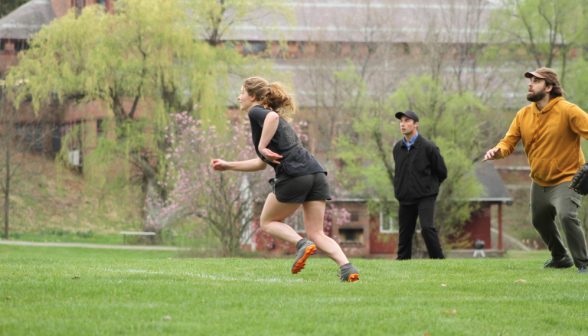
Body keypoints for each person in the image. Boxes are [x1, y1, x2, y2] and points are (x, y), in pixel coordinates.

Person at [210, 77, 359, 282]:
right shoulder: (264, 119)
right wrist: (228, 165)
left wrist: (262, 147)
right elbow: (261, 163)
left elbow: (271, 118)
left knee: (268, 221)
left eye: (241, 92)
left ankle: (301, 244)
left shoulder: (256, 112)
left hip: (294, 175)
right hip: (315, 173)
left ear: (253, 96)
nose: (238, 97)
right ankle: (347, 268)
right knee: (317, 233)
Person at [484, 68, 588, 275]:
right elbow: (509, 142)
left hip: (567, 178)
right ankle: (560, 258)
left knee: (567, 216)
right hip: (539, 180)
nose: (530, 84)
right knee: (538, 219)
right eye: (530, 80)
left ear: (549, 87)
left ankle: (584, 264)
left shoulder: (568, 111)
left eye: (536, 81)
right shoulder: (523, 114)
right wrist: (498, 151)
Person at [393, 110, 447, 260]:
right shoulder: (398, 148)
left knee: (427, 228)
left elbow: (442, 172)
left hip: (425, 197)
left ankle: (438, 260)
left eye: (407, 121)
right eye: (401, 121)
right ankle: (402, 262)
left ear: (416, 124)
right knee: (404, 232)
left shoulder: (429, 147)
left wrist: (429, 187)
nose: (403, 124)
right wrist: (399, 190)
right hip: (405, 198)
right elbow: (399, 173)